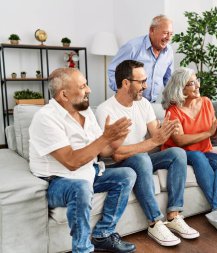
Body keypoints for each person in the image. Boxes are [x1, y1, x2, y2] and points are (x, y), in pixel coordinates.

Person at [29, 68, 137, 253]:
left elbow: (102, 151)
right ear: (64, 94)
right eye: (83, 86)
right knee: (81, 187)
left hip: (89, 172)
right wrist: (105, 137)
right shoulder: (45, 118)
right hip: (58, 182)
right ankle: (82, 249)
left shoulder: (85, 112)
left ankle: (103, 234)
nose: (89, 90)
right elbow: (71, 162)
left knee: (126, 175)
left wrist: (115, 139)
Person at [96, 60, 199, 247]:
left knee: (177, 153)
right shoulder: (106, 110)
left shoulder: (143, 104)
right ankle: (154, 222)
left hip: (140, 157)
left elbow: (156, 135)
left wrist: (167, 129)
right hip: (119, 164)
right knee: (142, 159)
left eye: (146, 80)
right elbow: (115, 155)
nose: (146, 85)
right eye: (141, 81)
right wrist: (153, 141)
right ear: (126, 83)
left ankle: (174, 215)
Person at [161, 67, 217, 233]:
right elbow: (179, 140)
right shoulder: (173, 111)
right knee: (197, 156)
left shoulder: (206, 102)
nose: (197, 86)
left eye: (197, 81)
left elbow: (210, 132)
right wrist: (209, 132)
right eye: (191, 83)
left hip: (204, 150)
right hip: (180, 153)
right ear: (180, 88)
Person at [108, 15, 174, 102]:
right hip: (129, 102)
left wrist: (174, 98)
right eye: (165, 33)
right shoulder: (132, 47)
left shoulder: (169, 51)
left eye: (171, 34)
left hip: (151, 104)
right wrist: (125, 92)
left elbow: (169, 80)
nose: (168, 38)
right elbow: (113, 71)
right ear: (152, 30)